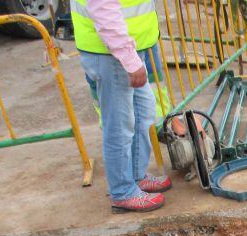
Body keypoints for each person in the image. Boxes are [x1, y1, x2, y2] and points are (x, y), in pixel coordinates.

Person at [71, 0, 172, 214]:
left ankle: (135, 175)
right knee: (119, 127)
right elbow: (105, 12)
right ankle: (123, 192)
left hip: (129, 48)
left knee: (143, 112)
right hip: (111, 53)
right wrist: (129, 59)